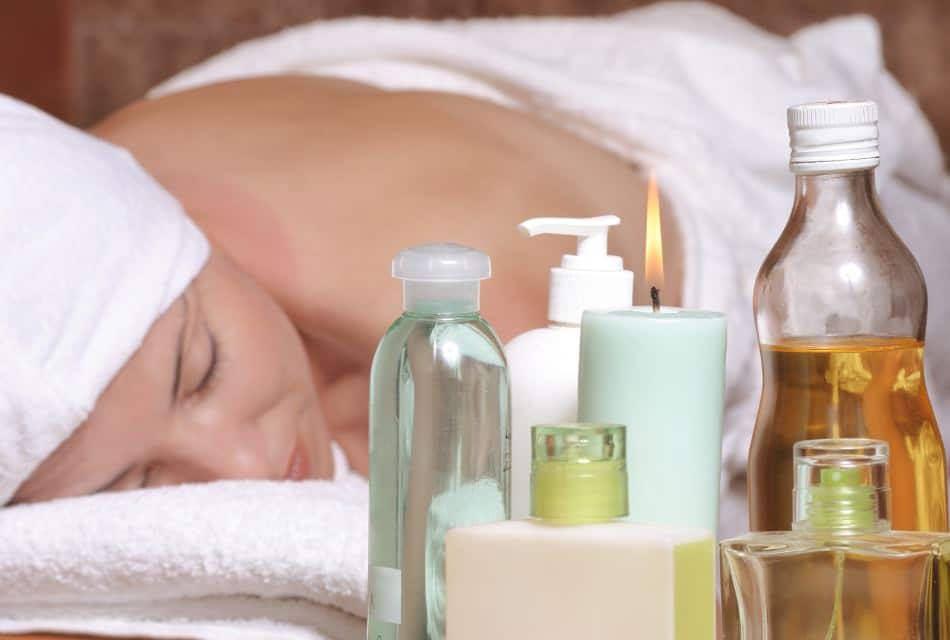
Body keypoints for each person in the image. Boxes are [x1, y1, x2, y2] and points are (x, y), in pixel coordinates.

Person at [7, 75, 679, 504]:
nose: (244, 467)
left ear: (200, 243)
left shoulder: (479, 318)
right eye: (135, 486)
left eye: (206, 371)